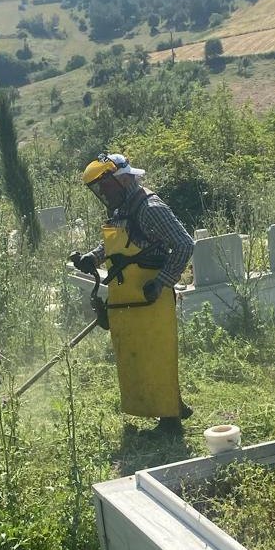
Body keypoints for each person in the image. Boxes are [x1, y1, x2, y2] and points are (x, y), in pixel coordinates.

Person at [71, 153, 195, 427]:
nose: (102, 192)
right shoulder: (122, 210)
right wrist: (93, 258)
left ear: (123, 180)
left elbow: (185, 244)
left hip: (152, 298)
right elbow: (116, 243)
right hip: (127, 295)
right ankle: (169, 404)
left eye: (105, 186)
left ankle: (170, 421)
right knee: (136, 358)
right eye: (98, 189)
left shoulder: (151, 208)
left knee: (157, 356)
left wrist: (162, 281)